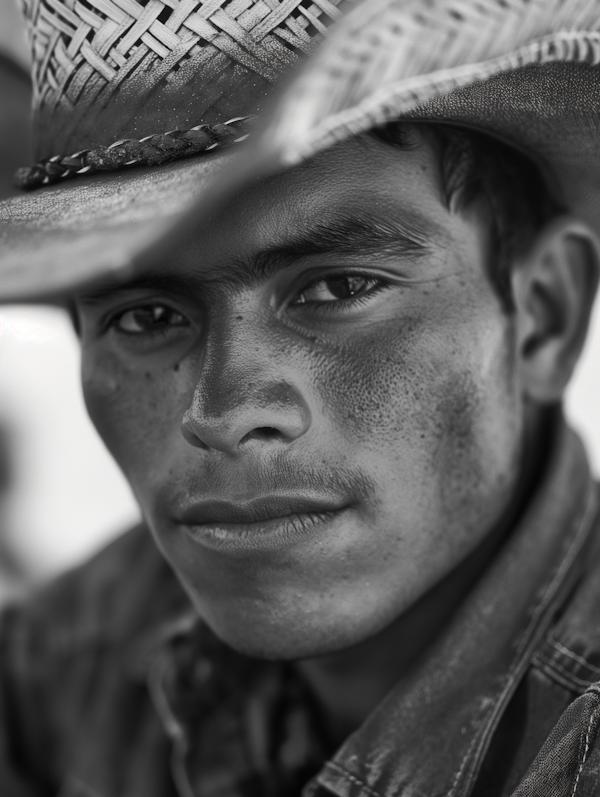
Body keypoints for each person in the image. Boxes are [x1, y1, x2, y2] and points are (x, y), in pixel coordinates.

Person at [0, 0, 599, 795]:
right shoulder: (69, 662)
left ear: (544, 320)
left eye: (339, 287)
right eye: (146, 318)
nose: (219, 413)